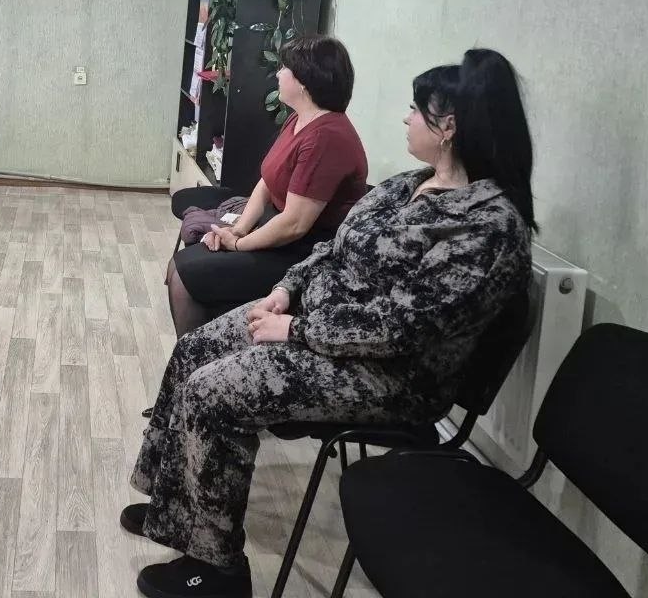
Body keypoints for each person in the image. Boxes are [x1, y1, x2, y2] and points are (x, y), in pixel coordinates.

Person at [122, 49, 536, 598]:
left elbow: (402, 327)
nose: (406, 118)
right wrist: (285, 291)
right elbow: (334, 249)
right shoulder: (408, 185)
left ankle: (217, 569)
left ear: (449, 128)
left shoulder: (487, 228)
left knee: (213, 392)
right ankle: (174, 503)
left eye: (416, 110)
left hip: (388, 376)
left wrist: (295, 330)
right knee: (194, 349)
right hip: (318, 326)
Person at [166, 35, 367, 338]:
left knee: (185, 274)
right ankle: (196, 350)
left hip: (305, 251)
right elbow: (266, 182)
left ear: (304, 83)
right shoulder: (299, 120)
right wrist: (238, 229)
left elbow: (295, 224)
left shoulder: (326, 137)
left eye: (284, 68)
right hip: (274, 227)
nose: (278, 74)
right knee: (180, 268)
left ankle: (197, 355)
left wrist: (238, 244)